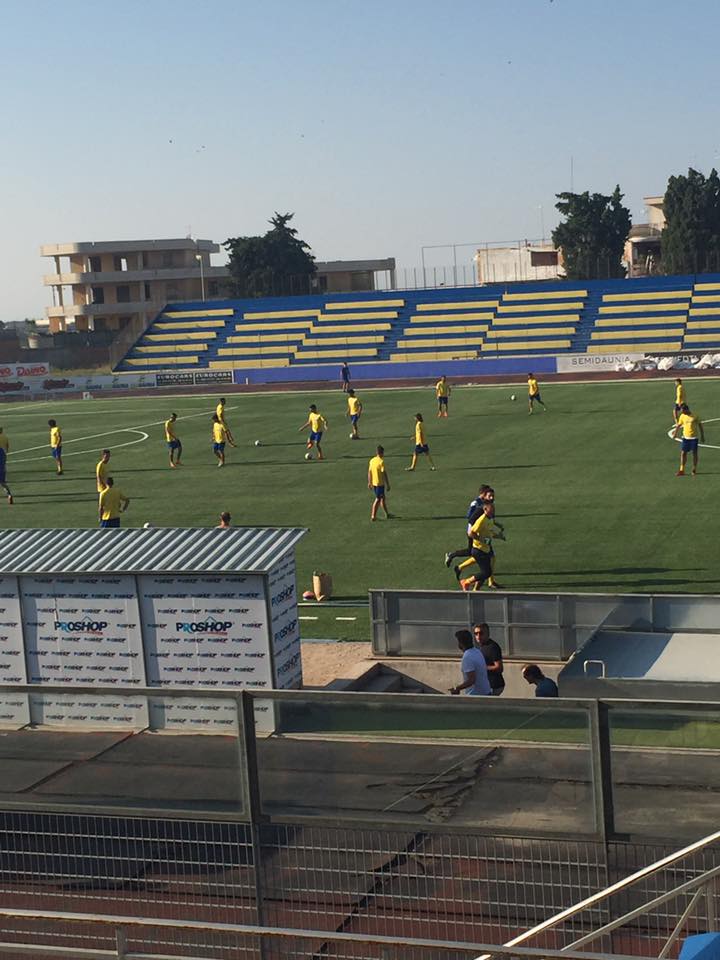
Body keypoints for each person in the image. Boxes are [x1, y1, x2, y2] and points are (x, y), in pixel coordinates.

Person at [453, 501, 504, 591]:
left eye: (494, 509)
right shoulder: (481, 520)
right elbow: (471, 533)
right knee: (486, 572)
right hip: (478, 550)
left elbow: (490, 533)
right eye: (491, 510)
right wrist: (482, 540)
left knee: (486, 572)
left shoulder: (490, 518)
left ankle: (475, 589)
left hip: (485, 550)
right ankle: (466, 582)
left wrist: (499, 536)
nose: (493, 511)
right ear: (485, 509)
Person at [450, 629, 491, 696]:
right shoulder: (477, 651)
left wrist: (457, 688)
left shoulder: (467, 657)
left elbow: (471, 680)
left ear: (461, 643)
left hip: (477, 696)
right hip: (486, 693)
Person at [673, 403, 705, 476]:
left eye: (683, 411)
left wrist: (702, 435)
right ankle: (682, 470)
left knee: (694, 453)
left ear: (687, 409)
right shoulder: (682, 416)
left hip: (694, 438)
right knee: (683, 453)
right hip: (685, 438)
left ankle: (694, 469)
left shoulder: (695, 415)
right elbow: (678, 425)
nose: (682, 413)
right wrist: (675, 433)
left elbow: (700, 425)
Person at [474, 623, 505, 696]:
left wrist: (483, 667)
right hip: (486, 684)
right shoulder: (481, 646)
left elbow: (499, 668)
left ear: (487, 634)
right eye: (476, 633)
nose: (478, 636)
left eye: (481, 633)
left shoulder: (492, 647)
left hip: (494, 685)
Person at [368, 444, 392, 521]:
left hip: (374, 483)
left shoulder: (372, 460)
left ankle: (387, 514)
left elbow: (369, 472)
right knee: (378, 499)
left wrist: (369, 482)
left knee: (383, 498)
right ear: (382, 453)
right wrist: (388, 484)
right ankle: (373, 516)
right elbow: (384, 473)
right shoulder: (381, 462)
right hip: (380, 484)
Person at [0, 427, 13, 505]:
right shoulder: (4, 437)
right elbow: (7, 445)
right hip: (2, 467)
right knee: (3, 483)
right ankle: (9, 494)